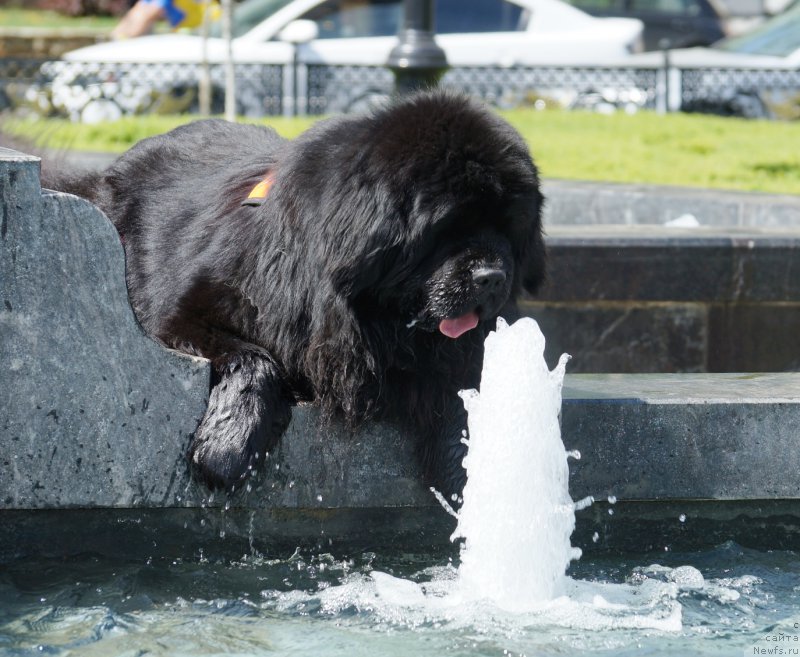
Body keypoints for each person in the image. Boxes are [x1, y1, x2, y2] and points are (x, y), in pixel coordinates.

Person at [111, 0, 216, 39]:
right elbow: (137, 11)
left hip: (211, 27)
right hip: (193, 30)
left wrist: (124, 40)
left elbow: (149, 15)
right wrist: (117, 34)